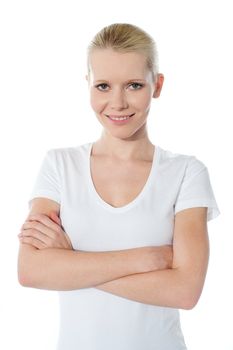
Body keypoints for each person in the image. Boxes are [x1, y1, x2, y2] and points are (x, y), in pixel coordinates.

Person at [17, 23, 220, 350]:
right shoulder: (59, 165)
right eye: (103, 86)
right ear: (88, 85)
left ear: (158, 85)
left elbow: (184, 291)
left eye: (134, 85)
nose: (118, 102)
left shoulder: (186, 173)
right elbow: (32, 270)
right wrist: (147, 259)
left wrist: (71, 262)